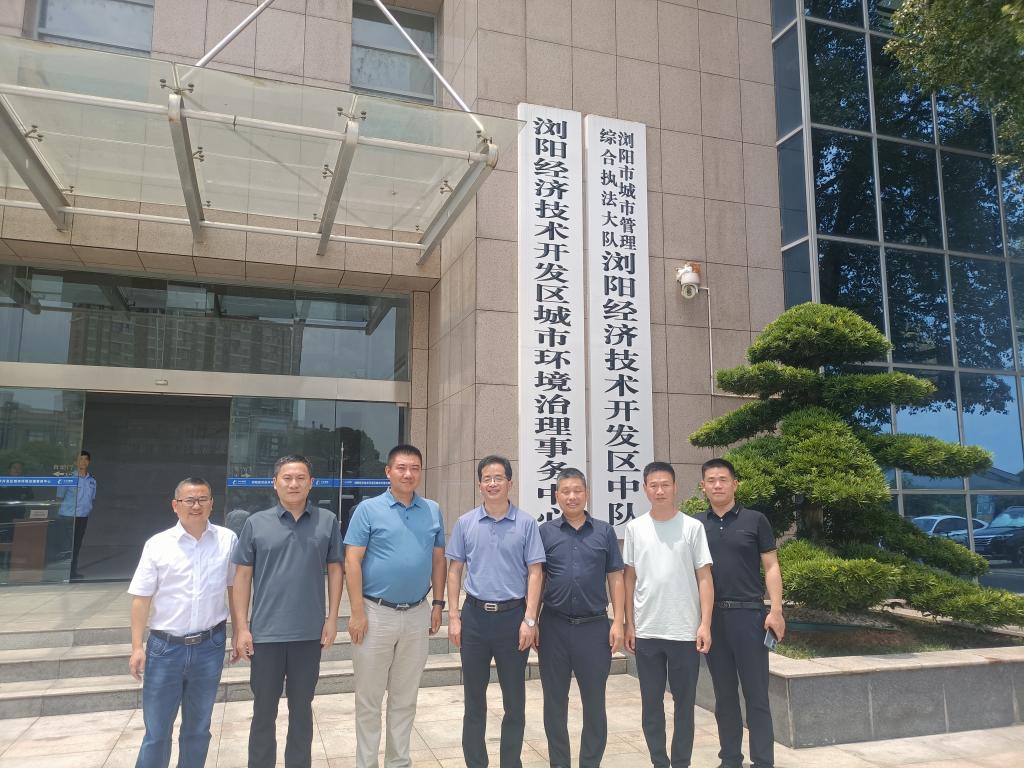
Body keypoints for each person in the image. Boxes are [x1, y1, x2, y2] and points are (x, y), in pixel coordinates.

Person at [231, 455, 344, 768]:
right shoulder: (256, 523)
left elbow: (336, 570)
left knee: (302, 712)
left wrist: (332, 619)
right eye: (287, 478)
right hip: (265, 635)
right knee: (263, 712)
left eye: (300, 478)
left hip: (308, 635)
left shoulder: (327, 521)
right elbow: (242, 577)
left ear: (311, 483)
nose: (294, 484)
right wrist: (241, 627)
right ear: (275, 483)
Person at [344, 444, 446, 768]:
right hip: (375, 614)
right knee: (369, 700)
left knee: (405, 699)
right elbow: (352, 561)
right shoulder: (367, 510)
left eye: (414, 468)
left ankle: (398, 762)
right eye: (401, 468)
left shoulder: (432, 510)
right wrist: (357, 612)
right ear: (388, 472)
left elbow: (438, 560)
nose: (408, 474)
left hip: (417, 613)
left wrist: (438, 604)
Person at [127, 477, 236, 768]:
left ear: (212, 504)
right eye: (189, 500)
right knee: (157, 732)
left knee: (198, 729)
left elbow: (234, 588)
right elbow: (141, 599)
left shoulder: (227, 540)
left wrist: (240, 630)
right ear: (175, 505)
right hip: (166, 648)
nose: (196, 506)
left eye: (202, 499)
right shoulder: (158, 544)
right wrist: (137, 647)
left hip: (209, 646)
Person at [446, 455, 546, 768]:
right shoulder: (465, 523)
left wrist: (530, 619)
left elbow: (535, 572)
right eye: (487, 479)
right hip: (474, 618)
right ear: (480, 485)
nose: (492, 483)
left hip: (513, 619)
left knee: (514, 701)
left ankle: (510, 763)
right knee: (474, 700)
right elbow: (454, 570)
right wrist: (453, 617)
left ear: (509, 483)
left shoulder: (526, 523)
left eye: (498, 478)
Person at [624, 461, 714, 768]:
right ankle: (659, 761)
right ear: (645, 489)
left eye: (665, 485)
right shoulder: (635, 528)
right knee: (651, 704)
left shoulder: (692, 527)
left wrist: (705, 624)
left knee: (684, 705)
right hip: (647, 631)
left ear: (675, 487)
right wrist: (629, 624)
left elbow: (704, 577)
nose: (659, 490)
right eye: (653, 485)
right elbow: (628, 579)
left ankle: (681, 762)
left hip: (684, 631)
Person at [699, 458, 785, 768]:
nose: (717, 485)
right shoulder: (696, 524)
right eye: (711, 480)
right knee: (724, 696)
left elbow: (771, 566)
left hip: (750, 617)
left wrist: (776, 610)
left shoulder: (755, 520)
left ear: (735, 484)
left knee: (756, 694)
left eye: (723, 479)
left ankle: (763, 761)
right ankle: (730, 759)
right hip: (713, 620)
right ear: (703, 487)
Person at [537, 467, 625, 768]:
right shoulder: (545, 532)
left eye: (577, 490)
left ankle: (590, 762)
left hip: (594, 628)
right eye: (566, 491)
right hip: (554, 627)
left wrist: (618, 621)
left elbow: (615, 577)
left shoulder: (604, 531)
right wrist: (531, 621)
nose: (572, 496)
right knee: (554, 703)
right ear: (557, 495)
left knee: (594, 703)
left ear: (586, 494)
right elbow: (537, 578)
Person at [58, 450, 96, 579]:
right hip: (68, 516)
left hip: (83, 516)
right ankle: (63, 573)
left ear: (89, 462)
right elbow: (59, 497)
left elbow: (91, 498)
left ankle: (72, 572)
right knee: (67, 545)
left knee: (77, 545)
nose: (83, 461)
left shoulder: (92, 480)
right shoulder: (68, 478)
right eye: (80, 459)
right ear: (75, 462)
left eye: (86, 459)